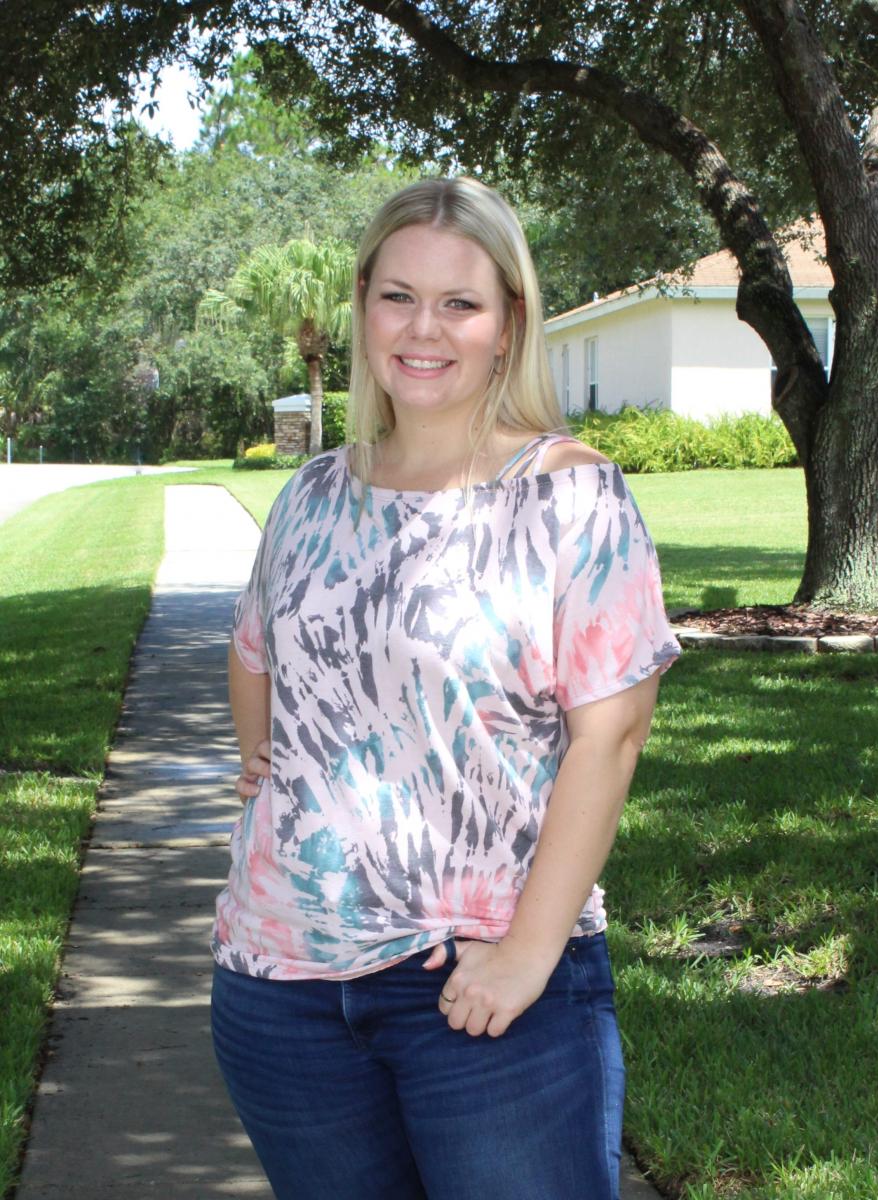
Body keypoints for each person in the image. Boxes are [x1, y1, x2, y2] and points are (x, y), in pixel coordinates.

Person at [210, 176, 681, 1200]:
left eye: (459, 303)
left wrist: (529, 953)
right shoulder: (312, 494)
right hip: (281, 994)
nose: (424, 328)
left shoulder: (570, 496)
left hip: (482, 987)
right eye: (398, 296)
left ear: (509, 324)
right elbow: (254, 650)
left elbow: (611, 736)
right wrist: (262, 760)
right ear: (364, 307)